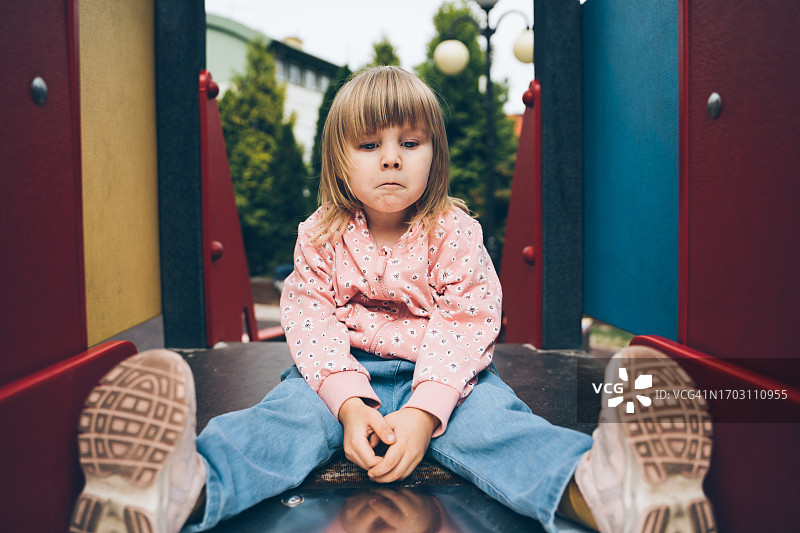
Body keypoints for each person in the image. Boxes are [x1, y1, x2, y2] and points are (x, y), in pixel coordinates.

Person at [69, 66, 715, 533]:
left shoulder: (452, 231)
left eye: (410, 143)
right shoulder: (321, 235)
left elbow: (467, 321)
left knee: (502, 429)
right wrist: (349, 404)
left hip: (446, 376)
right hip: (339, 375)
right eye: (370, 145)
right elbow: (309, 314)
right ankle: (173, 491)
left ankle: (605, 492)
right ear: (338, 158)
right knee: (282, 424)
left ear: (434, 154)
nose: (391, 160)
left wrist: (425, 412)